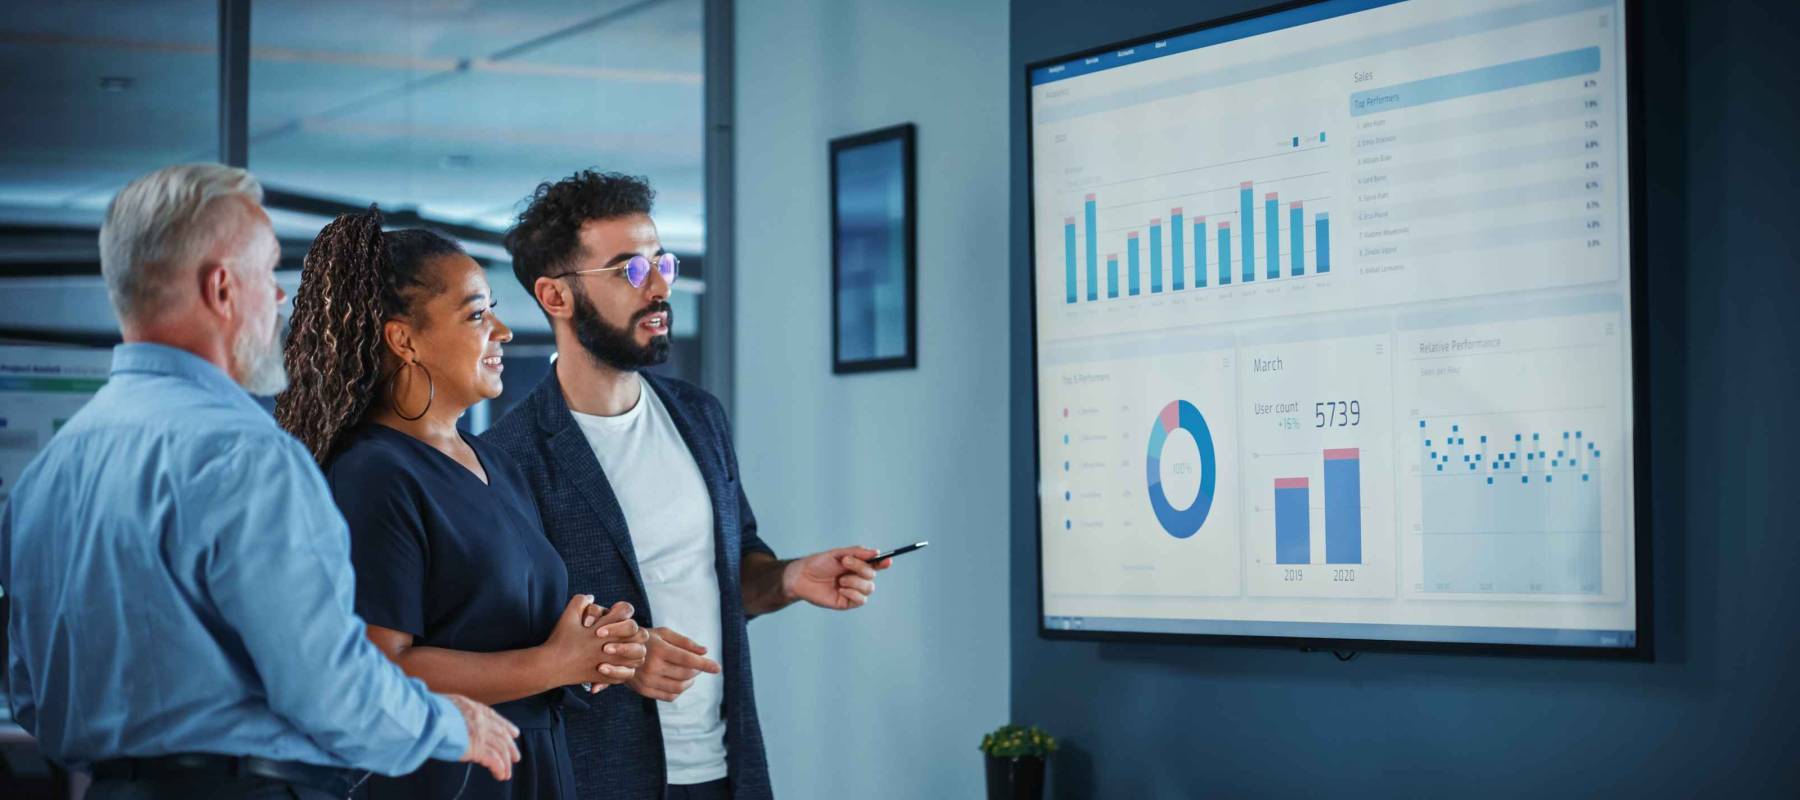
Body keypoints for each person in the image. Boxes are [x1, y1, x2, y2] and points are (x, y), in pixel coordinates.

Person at [0, 164, 521, 799]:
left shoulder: (51, 470)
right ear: (221, 288)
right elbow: (326, 687)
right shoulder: (245, 456)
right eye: (268, 272)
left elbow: (28, 691)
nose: (279, 300)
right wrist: (452, 725)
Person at [484, 170, 892, 800]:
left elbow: (732, 570)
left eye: (662, 263)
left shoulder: (699, 416)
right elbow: (513, 644)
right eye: (629, 271)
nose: (660, 289)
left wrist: (786, 578)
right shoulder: (509, 458)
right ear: (555, 297)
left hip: (726, 769)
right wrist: (622, 658)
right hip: (601, 779)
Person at [274, 207, 652, 800]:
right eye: (477, 315)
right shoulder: (371, 475)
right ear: (404, 340)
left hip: (533, 765)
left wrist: (597, 647)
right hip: (448, 779)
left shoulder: (494, 462)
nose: (501, 332)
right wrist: (555, 663)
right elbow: (380, 668)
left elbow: (512, 630)